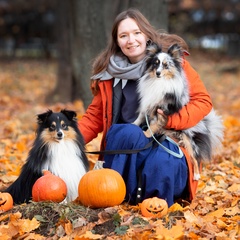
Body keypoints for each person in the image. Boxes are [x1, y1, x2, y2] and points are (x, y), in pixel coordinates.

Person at [78, 8, 212, 207]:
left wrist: (170, 120)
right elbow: (93, 118)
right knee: (127, 132)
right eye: (123, 36)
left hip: (165, 139)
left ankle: (155, 202)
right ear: (117, 42)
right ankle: (118, 195)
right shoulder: (109, 76)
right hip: (126, 144)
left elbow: (203, 102)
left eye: (136, 33)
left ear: (147, 35)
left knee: (160, 159)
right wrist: (69, 141)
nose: (131, 40)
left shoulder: (173, 64)